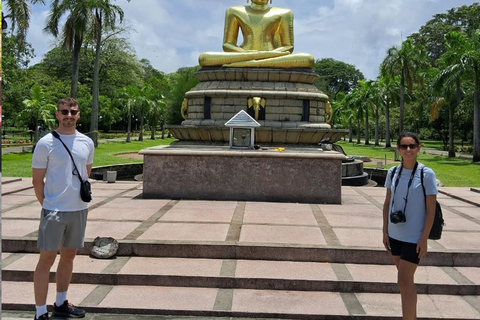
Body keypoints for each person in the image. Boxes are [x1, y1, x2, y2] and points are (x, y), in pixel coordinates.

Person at [31, 98, 95, 320]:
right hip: (54, 210)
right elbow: (37, 181)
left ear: (78, 115)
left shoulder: (86, 142)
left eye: (73, 112)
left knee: (68, 257)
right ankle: (40, 313)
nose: (69, 115)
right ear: (57, 114)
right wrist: (48, 205)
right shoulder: (45, 143)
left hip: (78, 209)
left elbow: (86, 173)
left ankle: (61, 303)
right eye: (64, 111)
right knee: (46, 259)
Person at [382, 132, 438, 320]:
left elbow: (431, 210)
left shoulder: (426, 174)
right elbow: (387, 202)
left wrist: (424, 238)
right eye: (404, 147)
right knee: (406, 283)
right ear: (398, 149)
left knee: (404, 280)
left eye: (412, 146)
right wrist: (385, 231)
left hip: (414, 237)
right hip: (395, 234)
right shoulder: (393, 172)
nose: (408, 150)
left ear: (418, 148)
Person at [198, 0, 314, 68]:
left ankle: (247, 63)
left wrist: (266, 54)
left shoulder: (284, 13)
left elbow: (288, 47)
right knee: (204, 58)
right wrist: (247, 54)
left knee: (308, 59)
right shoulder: (234, 11)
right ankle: (254, 61)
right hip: (244, 54)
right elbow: (227, 44)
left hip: (272, 55)